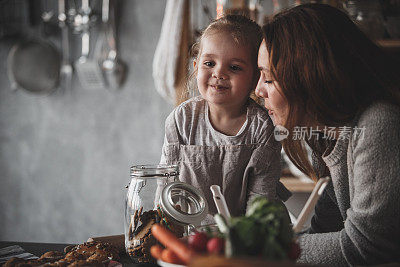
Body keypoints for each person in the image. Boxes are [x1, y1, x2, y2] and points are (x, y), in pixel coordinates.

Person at [255, 3, 400, 266]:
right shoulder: (335, 135)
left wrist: (258, 250)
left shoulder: (379, 124)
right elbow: (325, 232)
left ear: (307, 74)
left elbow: (365, 246)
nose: (258, 90)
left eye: (268, 78)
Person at [160, 14, 291, 221]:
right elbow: (166, 185)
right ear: (196, 68)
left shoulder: (263, 127)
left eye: (235, 67)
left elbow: (261, 199)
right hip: (192, 232)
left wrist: (243, 238)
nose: (219, 73)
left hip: (247, 233)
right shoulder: (181, 119)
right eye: (209, 63)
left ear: (256, 79)